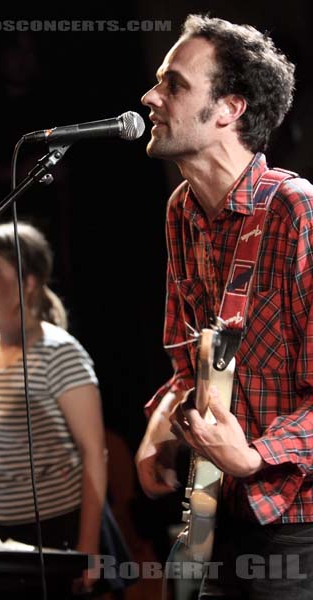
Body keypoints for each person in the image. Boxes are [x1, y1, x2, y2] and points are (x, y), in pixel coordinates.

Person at [135, 14, 313, 599]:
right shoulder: (181, 210)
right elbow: (194, 360)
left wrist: (255, 456)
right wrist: (160, 424)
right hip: (214, 507)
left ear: (228, 109)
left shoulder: (296, 210)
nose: (150, 97)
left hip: (295, 525)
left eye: (174, 84)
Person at [0, 221, 130, 598]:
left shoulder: (60, 351)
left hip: (59, 530)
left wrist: (87, 549)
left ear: (29, 281)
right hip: (1, 532)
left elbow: (93, 452)